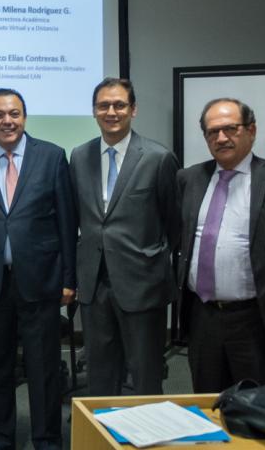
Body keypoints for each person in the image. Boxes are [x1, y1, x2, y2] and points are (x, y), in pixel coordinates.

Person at [0, 88, 77, 450]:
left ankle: (47, 439)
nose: (7, 121)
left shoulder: (51, 156)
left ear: (24, 117)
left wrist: (69, 279)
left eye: (14, 113)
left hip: (42, 282)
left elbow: (67, 222)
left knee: (43, 368)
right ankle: (1, 437)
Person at [177, 98, 265, 393]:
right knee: (208, 400)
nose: (221, 138)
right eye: (212, 132)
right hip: (203, 317)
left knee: (258, 404)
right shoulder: (189, 179)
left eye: (230, 128)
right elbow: (179, 236)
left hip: (257, 318)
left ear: (251, 130)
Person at [69, 78, 179, 396]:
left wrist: (150, 260)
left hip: (142, 283)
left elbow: (175, 224)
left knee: (145, 375)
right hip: (94, 284)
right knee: (100, 374)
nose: (111, 112)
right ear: (94, 111)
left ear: (133, 109)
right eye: (103, 105)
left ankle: (146, 429)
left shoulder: (158, 158)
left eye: (119, 105)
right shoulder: (80, 156)